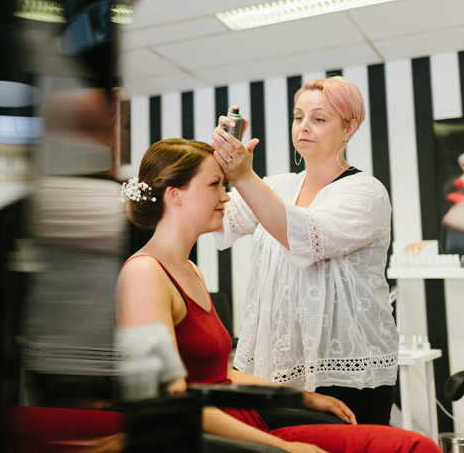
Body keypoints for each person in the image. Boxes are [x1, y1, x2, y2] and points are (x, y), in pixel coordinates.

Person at [116, 137, 439, 453]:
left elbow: (219, 373)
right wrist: (283, 446)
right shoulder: (144, 274)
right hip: (216, 433)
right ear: (176, 195)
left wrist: (304, 397)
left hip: (245, 419)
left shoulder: (189, 269)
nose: (226, 197)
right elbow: (163, 399)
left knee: (410, 444)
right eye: (214, 184)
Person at [209, 76, 399, 426]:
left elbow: (305, 236)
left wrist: (244, 177)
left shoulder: (366, 193)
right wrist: (216, 166)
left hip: (346, 376)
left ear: (349, 128)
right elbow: (216, 215)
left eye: (319, 118)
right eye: (298, 117)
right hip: (276, 371)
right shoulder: (277, 185)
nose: (304, 127)